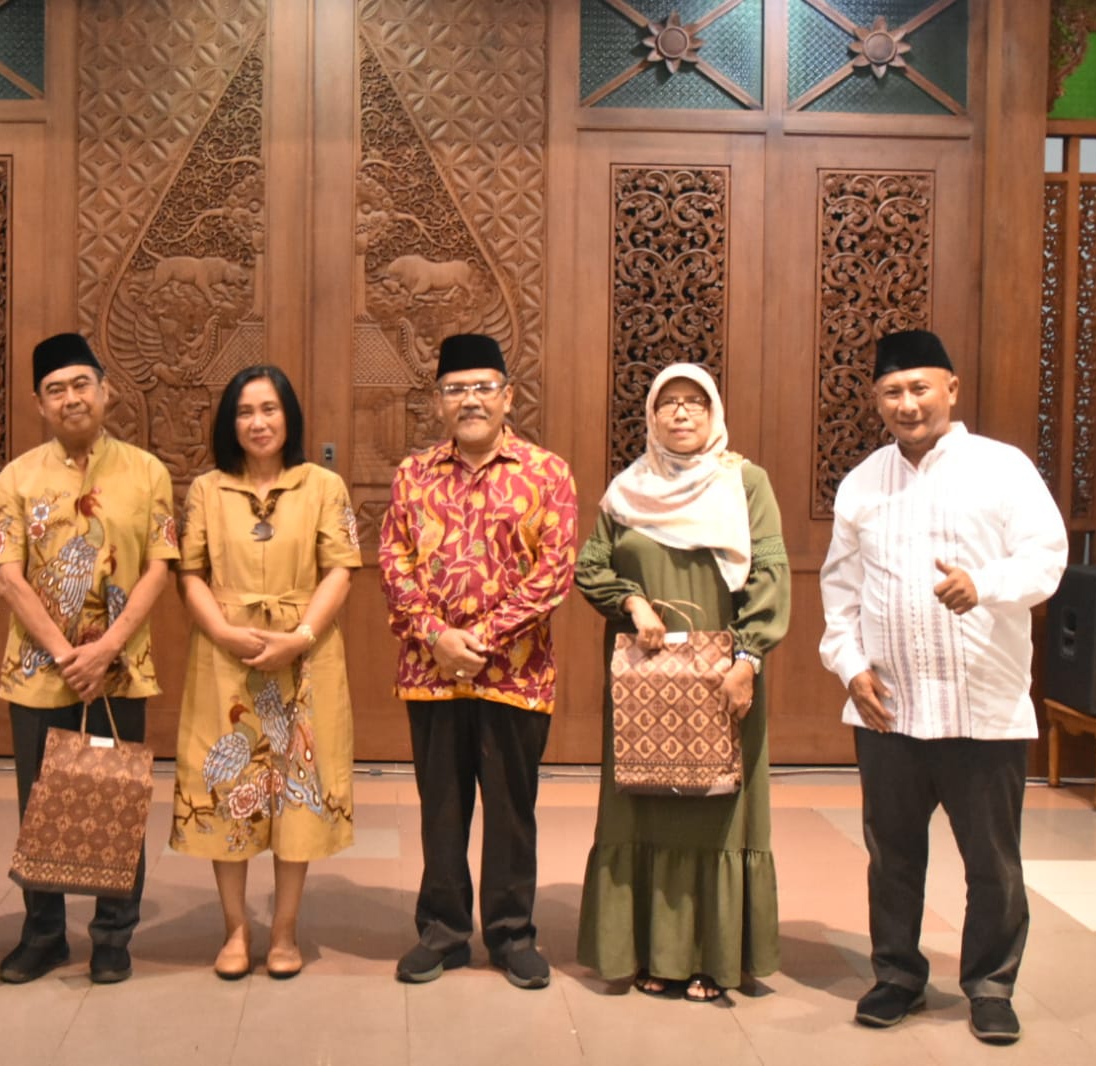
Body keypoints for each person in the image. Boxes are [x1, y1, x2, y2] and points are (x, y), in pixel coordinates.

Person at [819, 329, 1067, 1046]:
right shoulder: (862, 482)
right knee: (892, 857)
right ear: (876, 400)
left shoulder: (1002, 468)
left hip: (979, 708)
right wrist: (850, 666)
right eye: (892, 392)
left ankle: (990, 985)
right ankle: (896, 976)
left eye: (919, 388)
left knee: (992, 863)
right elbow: (840, 588)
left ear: (950, 389)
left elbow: (1045, 558)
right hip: (888, 708)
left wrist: (983, 584)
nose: (907, 404)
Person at [574, 363, 790, 1004]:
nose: (681, 413)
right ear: (650, 416)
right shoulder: (629, 488)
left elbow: (770, 573)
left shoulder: (744, 482)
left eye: (695, 401)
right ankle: (652, 953)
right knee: (646, 804)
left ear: (714, 412)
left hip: (726, 675)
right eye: (668, 403)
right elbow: (592, 565)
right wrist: (633, 602)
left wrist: (747, 659)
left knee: (718, 809)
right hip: (646, 679)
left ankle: (714, 959)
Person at [378, 332, 578, 990]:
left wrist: (482, 639)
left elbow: (553, 573)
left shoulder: (546, 474)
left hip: (516, 676)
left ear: (507, 397)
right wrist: (436, 636)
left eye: (483, 388)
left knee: (511, 811)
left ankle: (512, 934)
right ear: (438, 401)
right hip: (431, 675)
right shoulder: (412, 475)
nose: (470, 400)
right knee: (441, 810)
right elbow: (394, 565)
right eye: (456, 389)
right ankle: (441, 931)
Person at [0, 332, 179, 985]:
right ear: (39, 404)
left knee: (113, 798)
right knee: (41, 804)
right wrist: (67, 653)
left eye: (81, 384)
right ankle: (43, 934)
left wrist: (106, 648)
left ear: (105, 391)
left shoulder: (147, 473)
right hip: (39, 671)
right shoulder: (15, 478)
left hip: (117, 670)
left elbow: (159, 568)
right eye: (55, 390)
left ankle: (112, 936)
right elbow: (8, 577)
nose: (71, 398)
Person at [170, 365, 361, 980]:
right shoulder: (206, 490)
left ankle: (284, 930)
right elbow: (189, 573)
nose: (258, 422)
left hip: (305, 654)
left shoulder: (323, 485)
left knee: (295, 787)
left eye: (270, 409)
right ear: (230, 423)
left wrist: (300, 637)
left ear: (289, 417)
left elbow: (341, 568)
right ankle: (235, 929)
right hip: (224, 655)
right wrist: (224, 632)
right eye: (245, 411)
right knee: (229, 787)